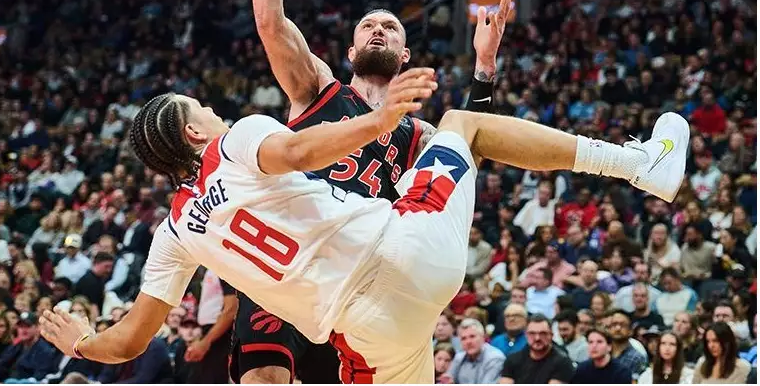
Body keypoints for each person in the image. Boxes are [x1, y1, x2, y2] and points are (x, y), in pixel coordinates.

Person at [38, 80, 689, 384]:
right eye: (200, 107)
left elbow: (127, 342)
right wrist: (380, 119)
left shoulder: (175, 231)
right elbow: (298, 152)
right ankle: (639, 163)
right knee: (465, 124)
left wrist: (82, 341)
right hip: (405, 249)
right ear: (194, 131)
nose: (212, 109)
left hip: (372, 334)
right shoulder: (235, 140)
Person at [234, 0, 511, 385]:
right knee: (265, 376)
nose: (378, 29)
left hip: (357, 281)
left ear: (405, 55)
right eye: (368, 26)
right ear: (350, 52)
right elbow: (270, 21)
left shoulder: (418, 133)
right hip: (287, 255)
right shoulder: (317, 87)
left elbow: (471, 155)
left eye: (390, 27)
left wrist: (483, 70)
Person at [499, 314, 575, 384]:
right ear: (526, 335)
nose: (537, 338)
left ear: (551, 335)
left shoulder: (563, 362)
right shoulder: (512, 360)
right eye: (532, 333)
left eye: (543, 333)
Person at [441, 318, 505, 384]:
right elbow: (448, 379)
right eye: (463, 338)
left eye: (472, 336)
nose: (468, 342)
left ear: (483, 337)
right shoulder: (459, 357)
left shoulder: (495, 359)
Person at [607, 309, 648, 379]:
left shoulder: (637, 358)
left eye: (622, 325)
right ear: (609, 328)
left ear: (631, 331)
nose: (618, 328)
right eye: (614, 324)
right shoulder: (603, 353)